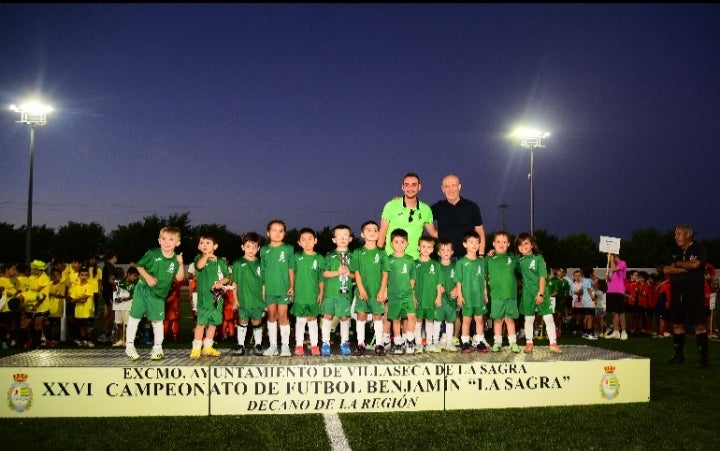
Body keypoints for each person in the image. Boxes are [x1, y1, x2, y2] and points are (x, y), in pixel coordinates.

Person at [125, 226, 185, 361]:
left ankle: (157, 348)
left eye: (171, 239)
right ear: (159, 240)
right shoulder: (152, 253)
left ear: (178, 242)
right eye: (163, 239)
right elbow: (139, 266)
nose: (167, 242)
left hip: (158, 295)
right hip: (143, 290)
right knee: (135, 318)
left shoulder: (176, 259)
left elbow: (180, 278)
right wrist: (148, 277)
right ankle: (129, 347)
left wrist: (181, 264)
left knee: (157, 321)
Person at [663, 224, 709, 367]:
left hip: (695, 294)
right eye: (675, 234)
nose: (675, 236)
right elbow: (665, 269)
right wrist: (683, 268)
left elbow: (695, 264)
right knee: (677, 324)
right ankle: (678, 357)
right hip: (677, 294)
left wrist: (677, 265)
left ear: (688, 234)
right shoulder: (673, 250)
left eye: (678, 234)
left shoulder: (699, 248)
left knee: (699, 325)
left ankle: (704, 359)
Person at [515, 233, 562, 353]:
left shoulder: (538, 258)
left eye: (526, 243)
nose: (523, 246)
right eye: (520, 244)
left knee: (548, 317)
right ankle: (529, 343)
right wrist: (493, 251)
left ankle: (553, 343)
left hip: (541, 292)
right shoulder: (519, 260)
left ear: (532, 244)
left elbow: (542, 277)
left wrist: (540, 293)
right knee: (529, 319)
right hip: (527, 293)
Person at [351, 220, 390, 356]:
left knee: (377, 317)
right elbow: (356, 272)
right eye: (369, 230)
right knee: (361, 316)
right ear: (362, 234)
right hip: (362, 291)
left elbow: (385, 273)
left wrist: (382, 290)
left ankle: (379, 344)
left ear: (379, 234)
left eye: (375, 230)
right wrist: (361, 289)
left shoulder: (382, 253)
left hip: (376, 291)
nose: (372, 232)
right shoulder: (357, 252)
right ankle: (360, 344)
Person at [190, 233, 231, 359]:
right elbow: (199, 266)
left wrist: (220, 283)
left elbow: (227, 278)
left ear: (215, 246)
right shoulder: (199, 258)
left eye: (208, 243)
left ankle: (208, 347)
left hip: (217, 299)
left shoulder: (221, 262)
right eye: (202, 243)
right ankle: (196, 348)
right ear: (198, 246)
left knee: (213, 324)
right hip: (204, 300)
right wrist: (206, 256)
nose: (204, 245)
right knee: (201, 324)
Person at [378, 172, 436, 260]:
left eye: (414, 185)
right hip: (391, 258)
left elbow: (433, 233)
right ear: (403, 187)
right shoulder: (391, 205)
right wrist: (377, 255)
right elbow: (382, 231)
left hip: (414, 260)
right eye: (407, 185)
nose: (410, 188)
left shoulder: (426, 209)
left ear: (419, 187)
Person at [260, 219, 296, 357]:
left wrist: (292, 286)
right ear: (268, 233)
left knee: (283, 316)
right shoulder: (264, 250)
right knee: (271, 316)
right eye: (274, 230)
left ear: (284, 233)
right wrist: (262, 288)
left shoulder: (288, 248)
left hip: (284, 289)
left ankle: (285, 346)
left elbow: (291, 269)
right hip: (269, 289)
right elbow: (263, 270)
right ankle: (273, 345)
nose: (277, 233)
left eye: (280, 231)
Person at [320, 224, 355, 356]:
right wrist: (337, 272)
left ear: (350, 239)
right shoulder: (329, 256)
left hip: (345, 294)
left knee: (344, 317)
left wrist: (348, 273)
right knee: (327, 316)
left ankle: (344, 342)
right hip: (330, 293)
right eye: (339, 236)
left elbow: (356, 275)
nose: (342, 238)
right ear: (334, 239)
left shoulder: (354, 255)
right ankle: (325, 343)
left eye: (345, 235)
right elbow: (324, 273)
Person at [431, 174, 485, 258]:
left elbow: (480, 232)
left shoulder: (471, 207)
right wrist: (433, 233)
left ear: (459, 187)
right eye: (447, 186)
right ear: (443, 189)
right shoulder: (438, 207)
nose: (450, 189)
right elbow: (423, 216)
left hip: (468, 257)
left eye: (453, 185)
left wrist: (481, 254)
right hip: (446, 259)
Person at [485, 231, 520, 353]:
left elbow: (522, 272)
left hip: (511, 295)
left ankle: (513, 342)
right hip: (496, 295)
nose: (501, 244)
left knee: (510, 320)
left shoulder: (513, 258)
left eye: (504, 242)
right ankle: (497, 342)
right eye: (498, 242)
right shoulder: (489, 258)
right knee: (498, 320)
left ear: (508, 244)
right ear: (493, 244)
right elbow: (483, 275)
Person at [231, 232, 265, 356]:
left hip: (257, 300)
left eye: (254, 246)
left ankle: (258, 344)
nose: (251, 249)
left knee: (257, 322)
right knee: (243, 321)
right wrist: (235, 299)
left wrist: (264, 300)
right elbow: (234, 283)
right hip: (243, 299)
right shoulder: (238, 263)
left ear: (258, 248)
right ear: (243, 247)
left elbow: (263, 284)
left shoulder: (261, 263)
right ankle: (241, 345)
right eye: (248, 246)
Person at [292, 228, 325, 356]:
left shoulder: (320, 258)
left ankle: (315, 345)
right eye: (303, 239)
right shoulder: (296, 257)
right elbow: (292, 274)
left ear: (315, 241)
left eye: (310, 239)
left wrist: (321, 292)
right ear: (299, 242)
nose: (307, 242)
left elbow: (321, 277)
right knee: (300, 320)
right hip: (300, 295)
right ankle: (299, 345)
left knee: (312, 320)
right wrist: (292, 289)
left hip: (313, 295)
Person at [455, 230, 489, 353]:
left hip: (479, 296)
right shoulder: (461, 263)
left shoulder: (481, 262)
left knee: (479, 319)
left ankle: (479, 341)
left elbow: (483, 279)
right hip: (467, 296)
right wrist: (459, 295)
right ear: (465, 244)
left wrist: (485, 293)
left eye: (477, 242)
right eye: (471, 242)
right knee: (467, 320)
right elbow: (458, 281)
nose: (474, 245)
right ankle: (465, 342)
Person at [385, 228, 418, 354]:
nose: (400, 245)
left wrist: (412, 294)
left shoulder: (410, 260)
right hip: (394, 295)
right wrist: (385, 291)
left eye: (402, 242)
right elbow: (385, 277)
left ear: (407, 243)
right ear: (391, 243)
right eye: (396, 242)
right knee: (396, 319)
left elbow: (412, 278)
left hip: (407, 294)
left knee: (411, 316)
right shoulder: (388, 259)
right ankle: (398, 343)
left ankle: (409, 340)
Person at [414, 235, 445, 353]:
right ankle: (418, 344)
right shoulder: (414, 264)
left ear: (432, 249)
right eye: (423, 246)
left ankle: (430, 343)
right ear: (418, 247)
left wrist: (438, 296)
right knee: (418, 321)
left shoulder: (436, 265)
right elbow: (411, 283)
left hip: (431, 299)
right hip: (418, 298)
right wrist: (413, 297)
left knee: (430, 321)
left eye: (429, 247)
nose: (426, 249)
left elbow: (439, 283)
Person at [435, 239, 459, 351]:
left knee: (450, 321)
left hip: (451, 299)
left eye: (448, 250)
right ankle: (436, 343)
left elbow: (460, 281)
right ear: (438, 253)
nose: (446, 252)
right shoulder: (435, 266)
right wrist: (439, 289)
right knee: (437, 320)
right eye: (443, 250)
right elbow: (433, 282)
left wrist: (457, 290)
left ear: (452, 252)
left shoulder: (456, 266)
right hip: (439, 299)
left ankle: (449, 343)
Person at [68, 267, 95, 347]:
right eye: (82, 275)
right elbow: (72, 300)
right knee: (81, 327)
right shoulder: (75, 287)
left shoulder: (90, 286)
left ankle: (89, 340)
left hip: (88, 311)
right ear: (79, 276)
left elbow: (86, 296)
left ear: (88, 276)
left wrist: (76, 299)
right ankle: (83, 341)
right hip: (79, 311)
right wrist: (78, 300)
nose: (84, 277)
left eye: (86, 275)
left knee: (88, 327)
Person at [113, 266, 139, 347]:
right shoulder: (120, 281)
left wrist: (123, 299)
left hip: (128, 306)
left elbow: (132, 296)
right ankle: (121, 339)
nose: (135, 278)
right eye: (134, 275)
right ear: (128, 274)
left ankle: (128, 340)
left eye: (136, 276)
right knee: (119, 323)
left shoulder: (134, 285)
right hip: (118, 306)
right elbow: (112, 282)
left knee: (128, 323)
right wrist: (116, 291)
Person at [604, 253, 629, 340]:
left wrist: (610, 259)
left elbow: (614, 269)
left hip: (619, 291)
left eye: (611, 257)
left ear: (615, 256)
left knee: (621, 312)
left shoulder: (622, 263)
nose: (609, 259)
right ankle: (615, 331)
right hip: (611, 291)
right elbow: (612, 279)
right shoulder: (612, 266)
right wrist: (608, 278)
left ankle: (624, 332)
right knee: (613, 313)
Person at [98, 252, 118, 343]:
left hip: (106, 292)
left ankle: (106, 332)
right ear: (113, 257)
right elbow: (111, 280)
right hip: (110, 293)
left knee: (108, 313)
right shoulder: (110, 266)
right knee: (113, 313)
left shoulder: (106, 266)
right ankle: (103, 331)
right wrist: (118, 286)